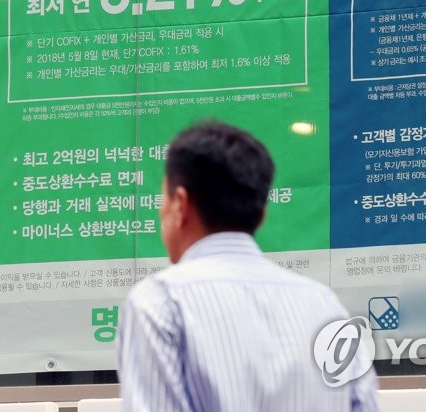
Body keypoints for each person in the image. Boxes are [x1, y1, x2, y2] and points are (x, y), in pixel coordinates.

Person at [117, 121, 379, 411]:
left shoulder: (159, 304)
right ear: (263, 214)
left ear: (180, 204)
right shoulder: (324, 305)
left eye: (163, 199)